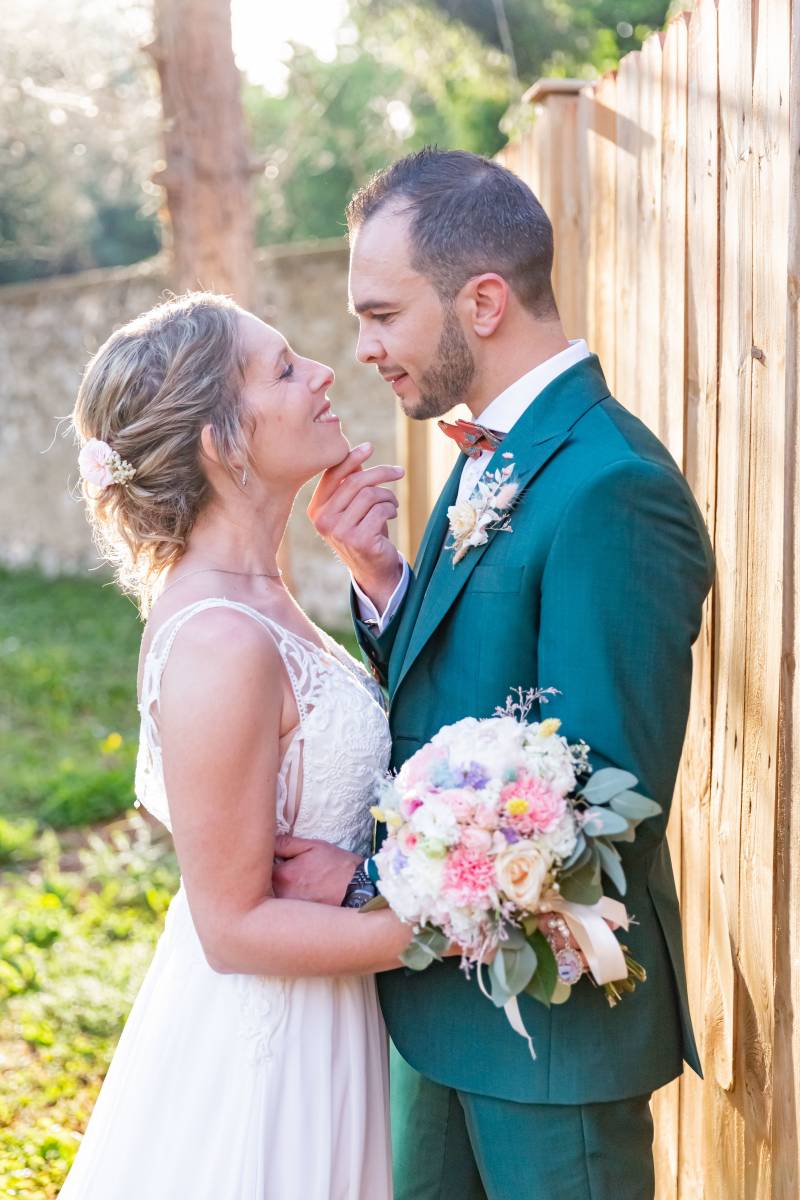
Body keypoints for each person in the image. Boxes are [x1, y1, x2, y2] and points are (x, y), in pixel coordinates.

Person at [273, 148, 717, 1200]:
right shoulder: (489, 449)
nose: (364, 348)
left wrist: (369, 889)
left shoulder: (610, 486)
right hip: (437, 1016)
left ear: (480, 300)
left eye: (382, 314)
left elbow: (602, 797)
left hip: (549, 1047)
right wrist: (381, 581)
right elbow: (469, 700)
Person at [58, 292, 422, 1200]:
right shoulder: (220, 638)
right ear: (221, 443)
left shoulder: (259, 596)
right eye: (286, 369)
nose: (326, 374)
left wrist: (375, 573)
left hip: (334, 1011)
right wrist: (442, 926)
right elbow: (233, 927)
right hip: (274, 1052)